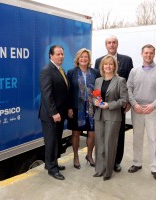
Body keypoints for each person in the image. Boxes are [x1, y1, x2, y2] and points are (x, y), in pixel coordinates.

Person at [127, 44, 156, 182]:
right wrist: (134, 104)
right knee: (137, 138)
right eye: (146, 53)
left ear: (154, 54)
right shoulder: (134, 71)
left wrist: (153, 105)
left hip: (153, 110)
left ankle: (155, 168)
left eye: (151, 53)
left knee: (154, 140)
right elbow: (128, 88)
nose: (148, 55)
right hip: (137, 110)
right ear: (141, 54)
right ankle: (137, 163)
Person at [94, 35, 133, 172]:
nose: (111, 45)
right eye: (109, 43)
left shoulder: (127, 60)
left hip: (118, 105)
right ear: (106, 45)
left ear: (117, 44)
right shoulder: (99, 60)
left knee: (118, 135)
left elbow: (130, 83)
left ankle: (116, 162)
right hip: (101, 110)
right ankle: (103, 163)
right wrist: (96, 101)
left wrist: (127, 101)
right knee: (102, 138)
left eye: (114, 42)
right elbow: (97, 87)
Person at [93, 55, 128, 181]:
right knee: (99, 144)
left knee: (109, 144)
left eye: (110, 64)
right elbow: (95, 96)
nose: (108, 66)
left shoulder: (120, 80)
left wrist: (109, 105)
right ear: (102, 66)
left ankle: (108, 172)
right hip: (99, 116)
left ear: (114, 66)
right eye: (105, 64)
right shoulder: (98, 80)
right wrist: (95, 102)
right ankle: (99, 169)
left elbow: (124, 100)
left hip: (113, 116)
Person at [39, 45, 69, 180]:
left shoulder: (60, 70)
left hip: (60, 114)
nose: (61, 56)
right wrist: (54, 113)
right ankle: (52, 169)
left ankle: (52, 163)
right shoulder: (47, 71)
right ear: (51, 55)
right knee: (51, 142)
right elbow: (47, 95)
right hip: (51, 115)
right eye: (58, 54)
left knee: (56, 140)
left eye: (62, 54)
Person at [66, 48, 98, 169]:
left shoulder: (95, 72)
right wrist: (69, 107)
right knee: (76, 133)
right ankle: (75, 156)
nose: (84, 59)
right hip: (76, 107)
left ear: (89, 59)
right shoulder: (71, 72)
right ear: (78, 59)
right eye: (81, 57)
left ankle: (89, 156)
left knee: (92, 133)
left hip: (91, 107)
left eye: (86, 57)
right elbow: (68, 91)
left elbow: (97, 90)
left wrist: (99, 103)